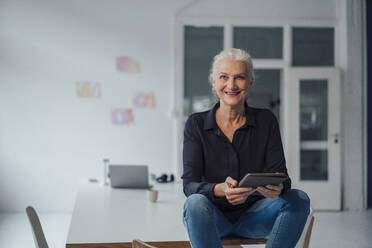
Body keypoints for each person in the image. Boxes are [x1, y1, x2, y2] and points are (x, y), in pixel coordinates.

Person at [182, 48, 310, 248]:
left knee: (299, 199)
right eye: (223, 77)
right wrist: (219, 189)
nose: (231, 85)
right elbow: (189, 185)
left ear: (250, 82)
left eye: (239, 77)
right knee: (194, 203)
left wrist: (277, 188)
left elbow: (282, 177)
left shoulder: (266, 120)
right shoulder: (195, 124)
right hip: (213, 218)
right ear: (213, 81)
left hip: (255, 217)